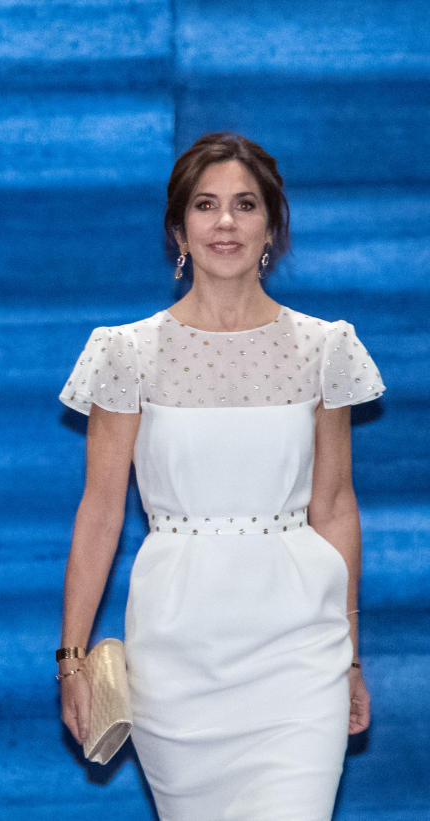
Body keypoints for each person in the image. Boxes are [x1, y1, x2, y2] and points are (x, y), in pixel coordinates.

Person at [57, 133, 383, 819]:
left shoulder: (326, 348)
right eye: (206, 206)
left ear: (272, 225)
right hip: (177, 651)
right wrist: (73, 659)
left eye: (244, 204)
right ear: (180, 228)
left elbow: (334, 506)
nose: (225, 222)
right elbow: (100, 511)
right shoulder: (126, 353)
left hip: (300, 647)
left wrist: (351, 655)